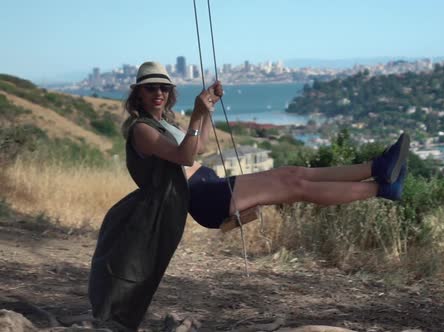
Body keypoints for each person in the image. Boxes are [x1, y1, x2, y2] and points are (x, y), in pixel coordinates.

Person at [88, 61, 410, 330]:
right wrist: (199, 114)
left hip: (211, 187)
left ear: (170, 93)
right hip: (204, 198)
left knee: (295, 174)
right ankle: (380, 187)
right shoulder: (141, 130)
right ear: (138, 94)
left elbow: (197, 147)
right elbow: (186, 157)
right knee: (295, 185)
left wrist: (206, 110)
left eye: (163, 87)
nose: (158, 93)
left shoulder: (163, 123)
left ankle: (377, 168)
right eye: (150, 88)